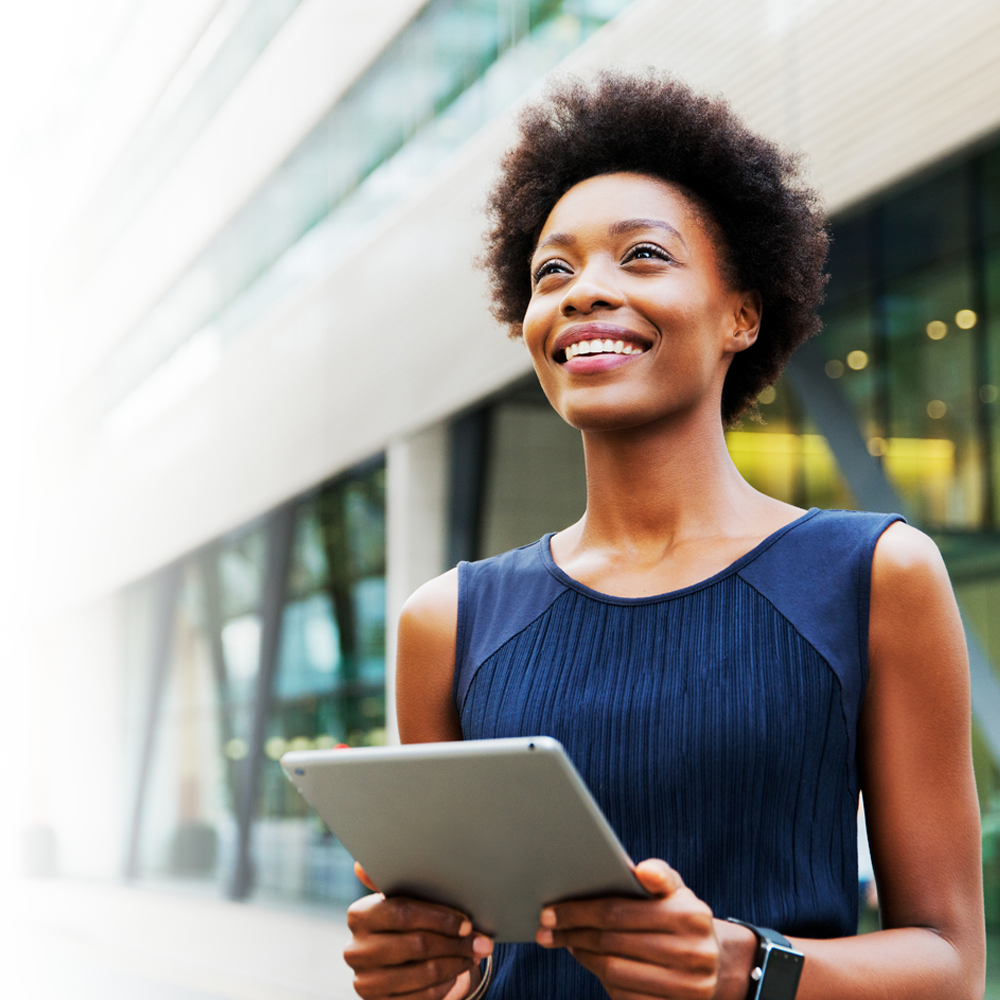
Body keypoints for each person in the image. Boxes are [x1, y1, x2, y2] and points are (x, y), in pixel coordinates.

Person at [344, 71, 986, 1000]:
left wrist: (745, 966)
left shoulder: (872, 575)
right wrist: (418, 974)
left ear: (742, 314)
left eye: (641, 256)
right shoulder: (446, 620)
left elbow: (952, 965)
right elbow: (474, 974)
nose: (582, 291)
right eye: (551, 271)